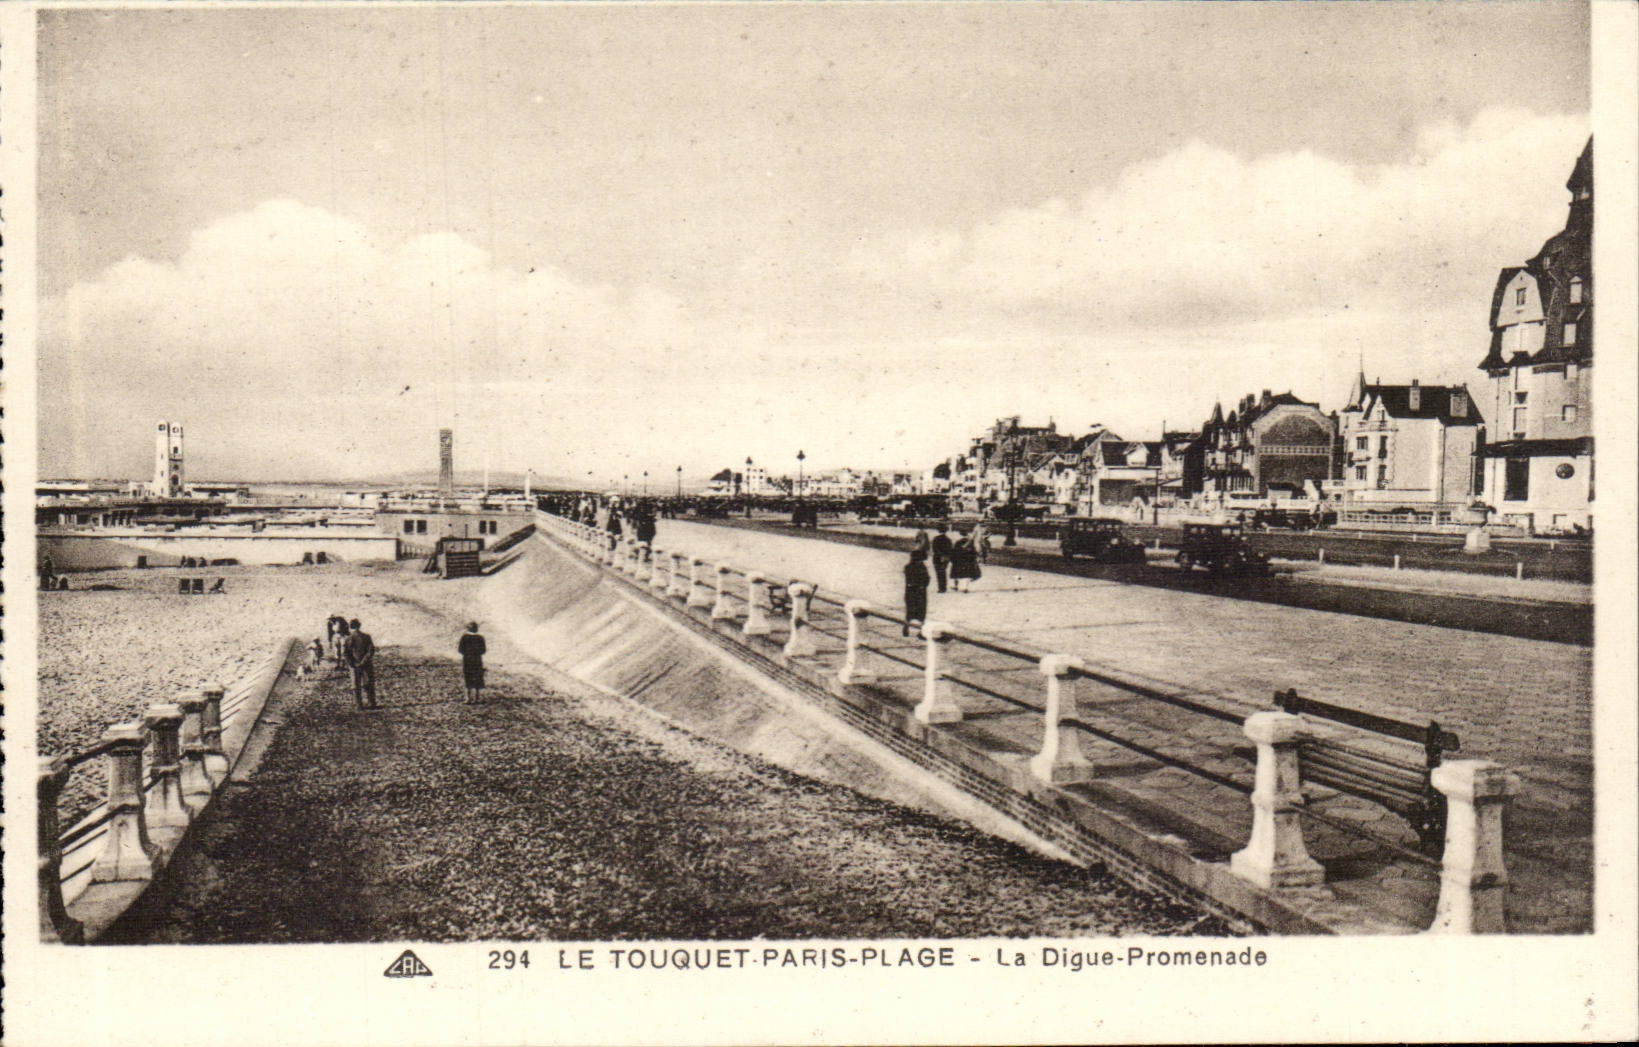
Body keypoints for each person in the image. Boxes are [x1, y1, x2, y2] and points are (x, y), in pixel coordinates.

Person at [345, 618, 377, 709]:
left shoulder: (348, 638)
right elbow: (371, 650)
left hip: (354, 665)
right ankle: (372, 702)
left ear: (350, 627)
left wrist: (352, 663)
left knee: (355, 685)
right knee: (368, 683)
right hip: (366, 664)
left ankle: (358, 704)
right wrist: (364, 661)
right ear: (359, 626)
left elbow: (346, 653)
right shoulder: (367, 637)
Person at [902, 550, 930, 638]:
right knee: (917, 611)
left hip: (913, 592)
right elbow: (925, 579)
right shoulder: (920, 567)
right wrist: (922, 584)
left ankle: (908, 628)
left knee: (913, 611)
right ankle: (909, 628)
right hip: (917, 592)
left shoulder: (909, 567)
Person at [458, 622, 487, 704]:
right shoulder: (480, 638)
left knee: (468, 677)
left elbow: (460, 650)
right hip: (477, 660)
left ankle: (468, 698)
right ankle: (477, 698)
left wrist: (468, 654)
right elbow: (483, 650)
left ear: (468, 629)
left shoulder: (464, 637)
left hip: (467, 660)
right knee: (478, 677)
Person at [930, 526, 953, 594]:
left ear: (938, 531)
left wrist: (940, 555)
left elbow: (934, 549)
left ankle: (941, 588)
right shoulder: (948, 539)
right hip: (945, 558)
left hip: (937, 557)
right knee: (943, 571)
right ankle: (944, 587)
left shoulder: (936, 539)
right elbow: (950, 549)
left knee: (938, 572)